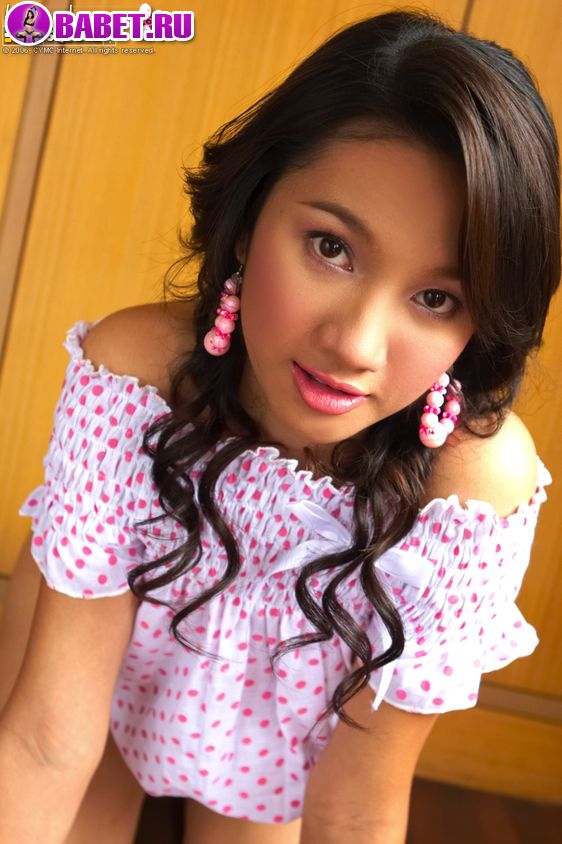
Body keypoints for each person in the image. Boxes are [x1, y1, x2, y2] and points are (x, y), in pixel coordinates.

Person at [0, 8, 559, 844]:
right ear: (250, 215)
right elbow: (46, 741)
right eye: (331, 247)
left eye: (435, 297)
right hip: (94, 666)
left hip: (272, 741)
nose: (355, 345)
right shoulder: (135, 380)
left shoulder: (469, 495)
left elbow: (357, 811)